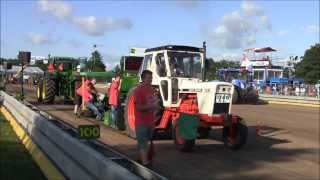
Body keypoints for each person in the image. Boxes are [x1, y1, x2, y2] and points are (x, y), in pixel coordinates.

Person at [133, 70, 158, 167]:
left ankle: (140, 160)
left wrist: (156, 107)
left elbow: (153, 103)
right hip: (141, 122)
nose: (151, 80)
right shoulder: (138, 90)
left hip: (150, 122)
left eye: (151, 78)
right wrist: (150, 107)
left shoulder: (151, 89)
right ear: (143, 79)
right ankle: (145, 165)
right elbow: (138, 107)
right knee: (143, 143)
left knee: (144, 143)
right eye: (149, 78)